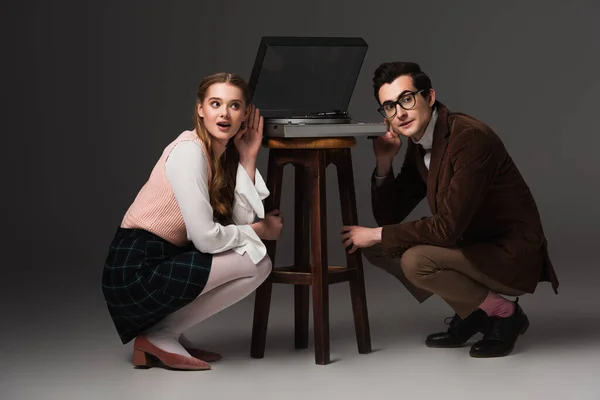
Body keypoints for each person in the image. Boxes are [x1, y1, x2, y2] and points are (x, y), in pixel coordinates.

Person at [340, 62, 559, 358]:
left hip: (507, 253)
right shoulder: (419, 142)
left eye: (406, 99)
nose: (399, 114)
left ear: (429, 97)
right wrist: (384, 162)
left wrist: (377, 233)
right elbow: (389, 217)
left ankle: (504, 313)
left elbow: (446, 229)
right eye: (389, 106)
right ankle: (474, 312)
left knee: (414, 259)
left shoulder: (469, 138)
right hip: (469, 243)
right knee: (375, 245)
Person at [102, 72, 283, 371]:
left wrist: (248, 157)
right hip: (135, 270)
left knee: (252, 256)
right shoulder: (189, 152)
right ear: (200, 108)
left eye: (235, 106)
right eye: (215, 103)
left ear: (246, 114)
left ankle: (164, 333)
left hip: (160, 259)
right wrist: (259, 230)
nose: (224, 113)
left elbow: (237, 221)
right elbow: (207, 239)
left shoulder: (219, 158)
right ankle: (161, 334)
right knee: (258, 262)